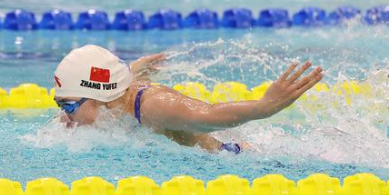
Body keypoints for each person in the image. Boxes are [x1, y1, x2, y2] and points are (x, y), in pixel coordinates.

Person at [52, 44, 324, 153]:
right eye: (61, 104)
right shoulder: (110, 99)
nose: (64, 115)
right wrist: (135, 70)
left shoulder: (153, 106)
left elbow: (210, 115)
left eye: (69, 105)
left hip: (230, 157)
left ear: (100, 96)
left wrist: (263, 107)